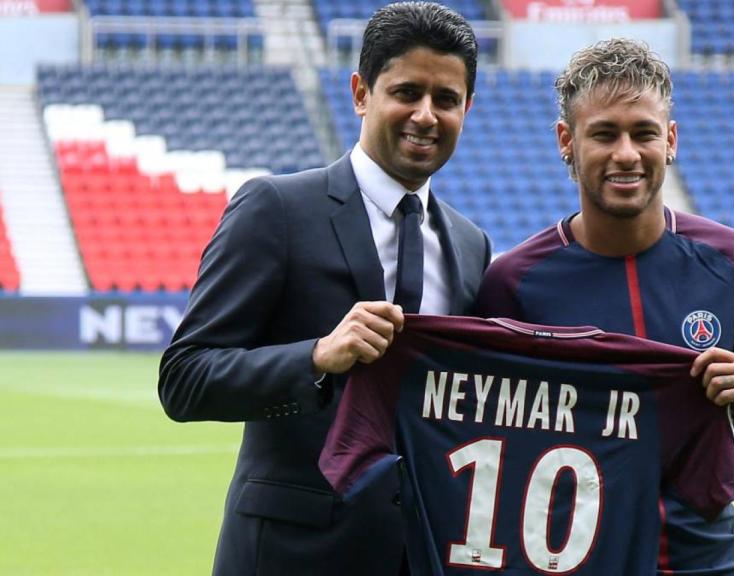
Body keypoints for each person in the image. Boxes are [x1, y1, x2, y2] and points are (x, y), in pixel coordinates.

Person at [158, 3, 491, 574]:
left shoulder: (469, 244)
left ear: (467, 108)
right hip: (290, 557)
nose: (425, 115)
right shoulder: (276, 209)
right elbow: (184, 379)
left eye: (446, 99)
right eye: (406, 92)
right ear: (361, 93)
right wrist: (316, 357)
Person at [472, 38, 734, 574]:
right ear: (567, 142)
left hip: (705, 561)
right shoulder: (513, 283)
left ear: (669, 140)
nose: (626, 153)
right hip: (567, 563)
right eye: (604, 133)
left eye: (643, 133)